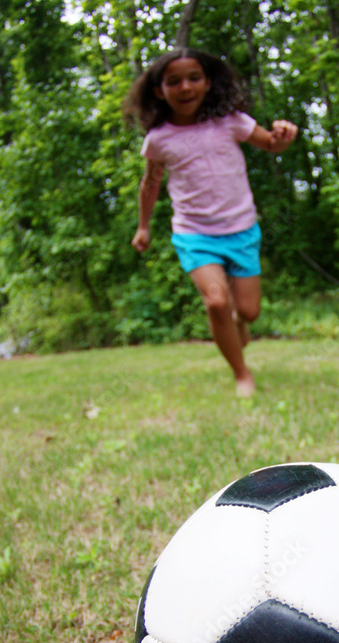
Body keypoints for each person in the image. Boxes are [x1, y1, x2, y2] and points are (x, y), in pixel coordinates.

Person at [124, 48, 298, 397]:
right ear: (160, 91)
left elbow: (269, 143)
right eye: (174, 81)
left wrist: (282, 135)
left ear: (207, 82)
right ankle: (241, 374)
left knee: (248, 311)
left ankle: (237, 323)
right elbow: (151, 184)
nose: (185, 87)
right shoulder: (159, 139)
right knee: (217, 301)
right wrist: (143, 226)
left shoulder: (231, 121)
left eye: (193, 78)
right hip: (194, 234)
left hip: (242, 229)